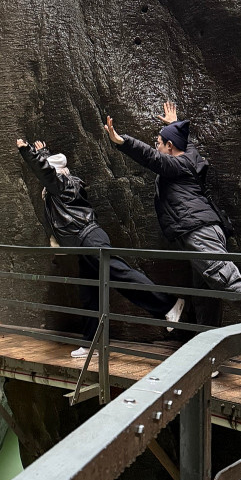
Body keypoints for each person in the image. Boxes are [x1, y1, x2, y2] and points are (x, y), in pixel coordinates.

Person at [104, 102, 241, 363]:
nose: (156, 146)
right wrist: (173, 125)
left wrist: (122, 141)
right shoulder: (189, 156)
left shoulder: (177, 164)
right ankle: (210, 358)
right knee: (206, 297)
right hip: (203, 230)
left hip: (198, 232)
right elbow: (181, 145)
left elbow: (152, 158)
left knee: (227, 279)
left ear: (170, 147)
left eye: (159, 142)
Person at [16, 137, 184, 357]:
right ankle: (91, 344)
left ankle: (169, 304)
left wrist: (27, 152)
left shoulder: (62, 184)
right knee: (89, 295)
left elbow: (45, 172)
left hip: (89, 238)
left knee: (119, 274)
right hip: (84, 243)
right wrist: (44, 154)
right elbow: (49, 169)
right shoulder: (64, 184)